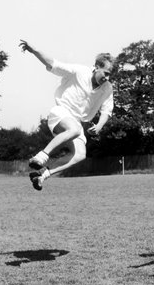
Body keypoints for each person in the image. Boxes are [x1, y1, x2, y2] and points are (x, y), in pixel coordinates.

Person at [19, 40, 114, 190]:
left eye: (110, 75)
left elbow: (107, 110)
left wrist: (100, 126)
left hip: (76, 122)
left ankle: (41, 175)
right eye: (106, 73)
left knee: (80, 155)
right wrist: (34, 50)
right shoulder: (79, 71)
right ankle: (42, 156)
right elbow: (53, 63)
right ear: (96, 67)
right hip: (60, 113)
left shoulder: (107, 88)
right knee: (75, 129)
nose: (107, 78)